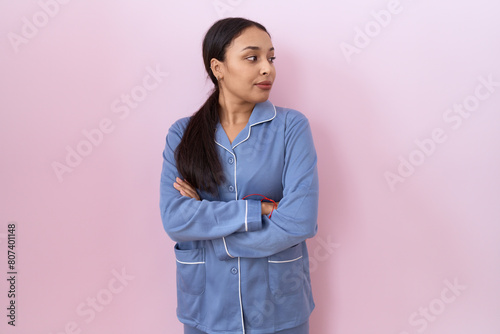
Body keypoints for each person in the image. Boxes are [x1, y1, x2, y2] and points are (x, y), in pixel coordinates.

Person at [159, 17, 319, 334]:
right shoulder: (183, 134)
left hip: (278, 306)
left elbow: (299, 221)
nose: (267, 69)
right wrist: (257, 210)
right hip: (207, 307)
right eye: (252, 57)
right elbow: (175, 219)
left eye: (271, 58)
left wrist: (214, 237)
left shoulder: (291, 127)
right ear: (217, 67)